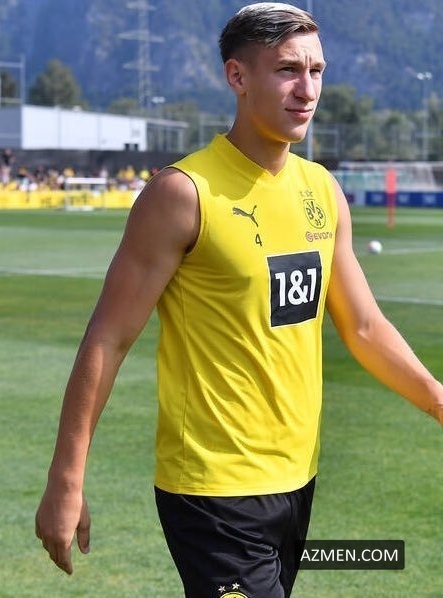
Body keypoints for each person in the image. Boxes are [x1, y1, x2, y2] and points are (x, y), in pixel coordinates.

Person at [35, 3, 443, 597]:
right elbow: (109, 338)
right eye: (287, 70)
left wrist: (437, 399)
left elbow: (363, 327)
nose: (308, 90)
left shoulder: (322, 191)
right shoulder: (183, 193)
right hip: (213, 490)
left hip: (298, 477)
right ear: (238, 76)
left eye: (317, 71)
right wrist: (66, 479)